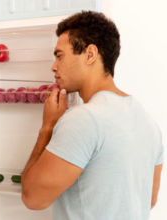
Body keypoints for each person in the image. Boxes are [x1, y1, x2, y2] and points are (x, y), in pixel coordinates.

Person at [21, 11, 164, 220]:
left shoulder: (84, 119)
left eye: (59, 56)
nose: (53, 67)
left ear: (90, 54)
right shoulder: (148, 121)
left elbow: (32, 198)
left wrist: (48, 127)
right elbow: (148, 199)